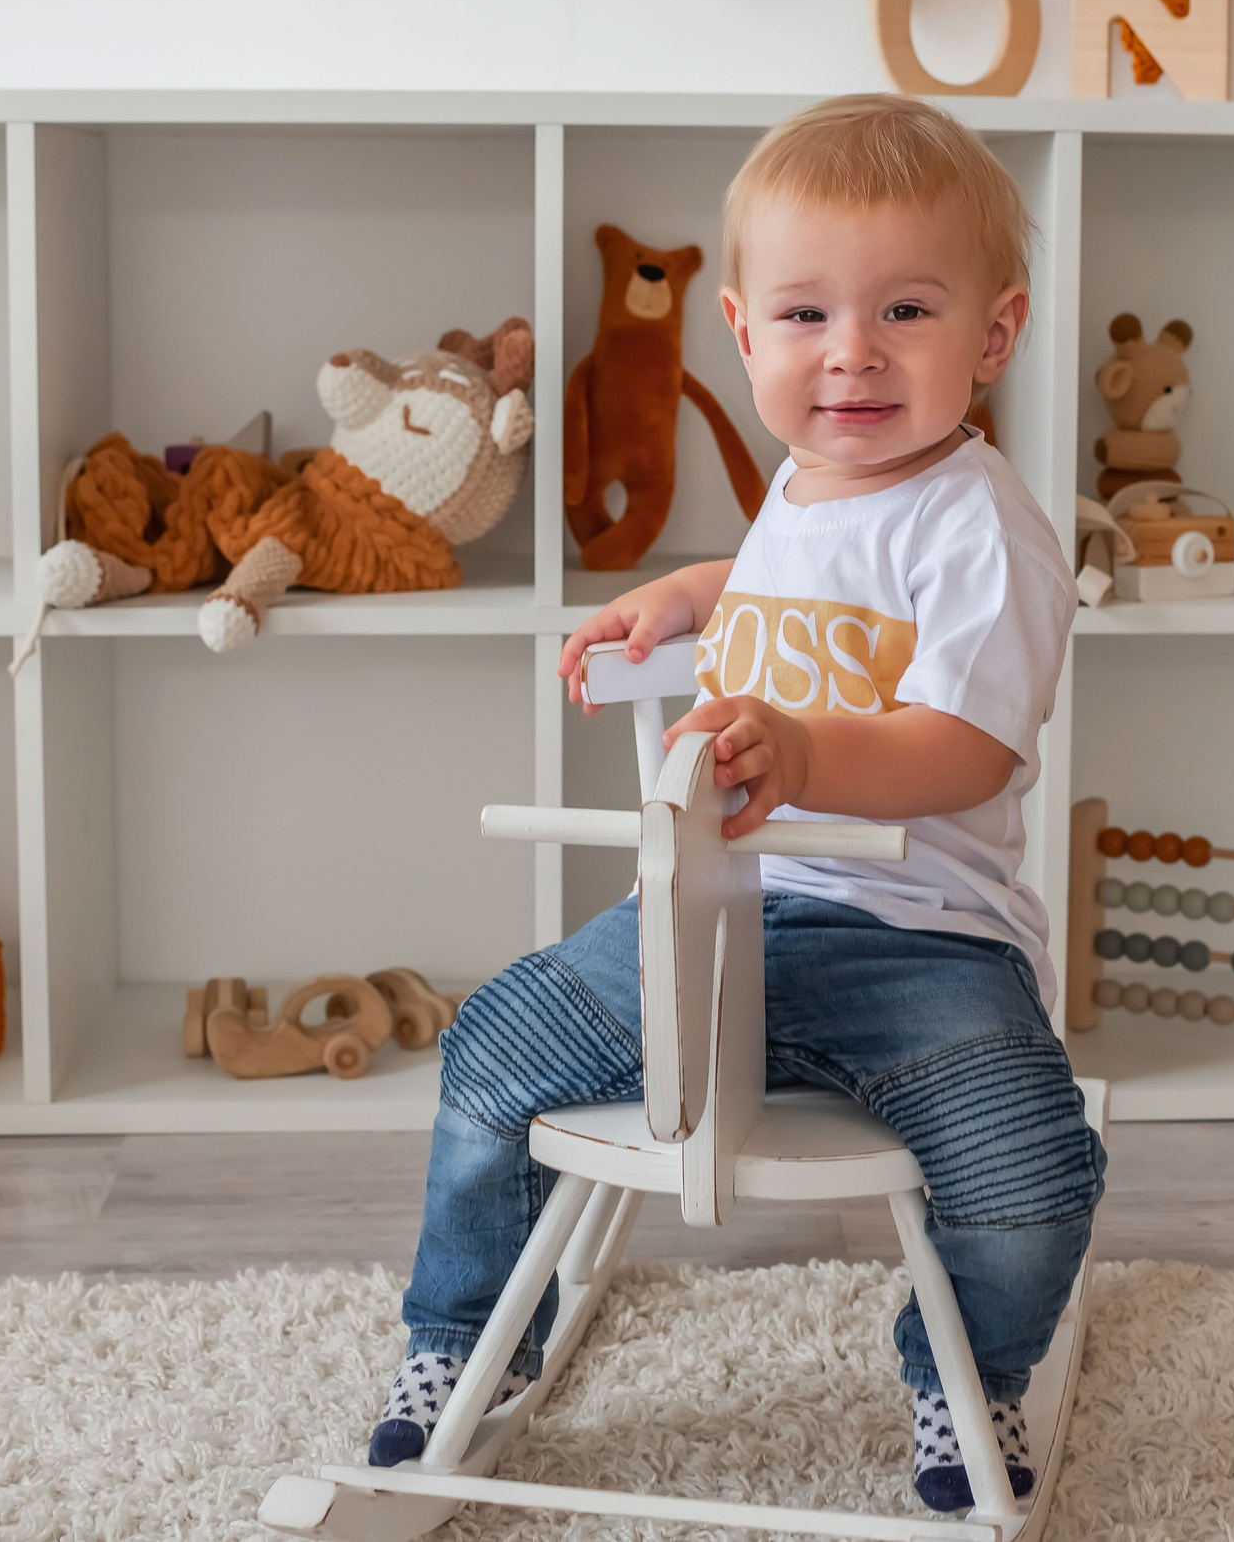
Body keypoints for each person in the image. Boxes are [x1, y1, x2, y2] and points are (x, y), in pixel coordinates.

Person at [368, 93, 1102, 1514]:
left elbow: (964, 746)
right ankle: (468, 1337)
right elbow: (773, 597)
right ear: (747, 335)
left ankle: (970, 1371)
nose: (855, 354)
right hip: (719, 922)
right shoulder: (806, 485)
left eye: (904, 310)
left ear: (993, 336)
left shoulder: (982, 526)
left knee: (1032, 1165)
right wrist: (680, 598)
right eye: (811, 316)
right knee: (490, 1049)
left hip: (919, 941)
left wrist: (812, 753)